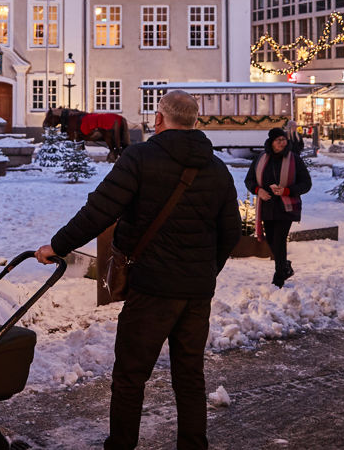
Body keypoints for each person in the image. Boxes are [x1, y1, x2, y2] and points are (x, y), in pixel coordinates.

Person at [34, 90, 240, 450]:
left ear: (159, 119)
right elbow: (231, 232)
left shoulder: (140, 158)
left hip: (151, 288)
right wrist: (205, 271)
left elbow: (99, 210)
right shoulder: (216, 167)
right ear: (194, 122)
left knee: (130, 376)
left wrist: (58, 246)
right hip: (195, 292)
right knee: (190, 377)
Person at [244, 125, 312, 287]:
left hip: (286, 207)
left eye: (284, 139)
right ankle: (285, 266)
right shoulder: (261, 158)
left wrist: (287, 191)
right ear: (271, 142)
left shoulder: (294, 159)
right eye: (278, 140)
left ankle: (278, 278)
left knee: (280, 240)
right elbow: (249, 180)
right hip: (267, 206)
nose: (282, 142)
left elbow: (306, 184)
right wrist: (258, 191)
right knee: (271, 240)